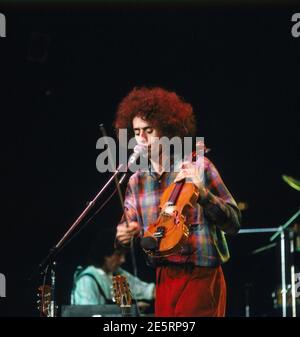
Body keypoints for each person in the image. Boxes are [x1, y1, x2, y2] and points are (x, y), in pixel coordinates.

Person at [114, 86, 241, 317]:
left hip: (201, 275)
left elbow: (234, 223)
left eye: (149, 130)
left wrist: (204, 196)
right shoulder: (136, 181)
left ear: (166, 131)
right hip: (163, 277)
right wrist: (123, 236)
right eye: (136, 132)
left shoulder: (198, 167)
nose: (141, 139)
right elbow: (126, 232)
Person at [71, 233, 155, 310]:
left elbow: (146, 290)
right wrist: (132, 309)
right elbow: (89, 313)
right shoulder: (87, 280)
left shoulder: (117, 274)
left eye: (124, 255)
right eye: (118, 255)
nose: (123, 260)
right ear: (105, 255)